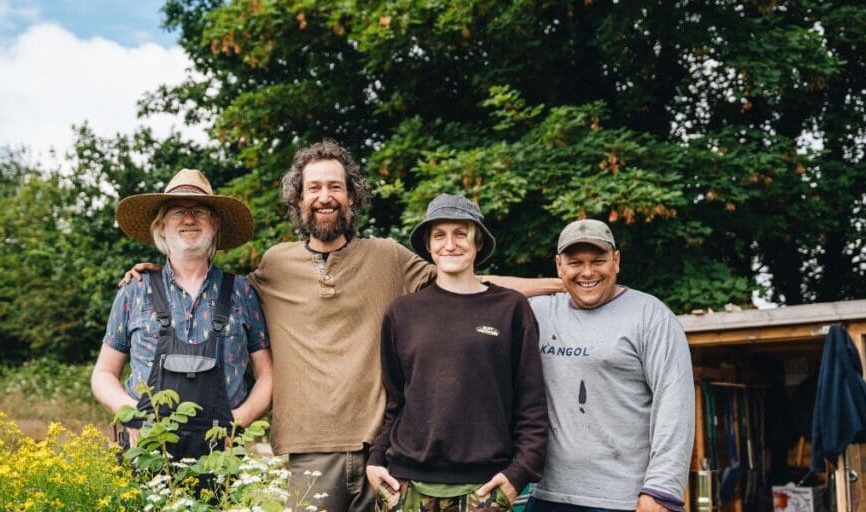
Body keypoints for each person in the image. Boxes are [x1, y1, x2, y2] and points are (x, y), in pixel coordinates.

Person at [123, 140, 563, 512]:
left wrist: (564, 284)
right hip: (309, 450)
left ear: (352, 197)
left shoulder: (388, 257)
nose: (325, 196)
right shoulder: (275, 265)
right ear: (298, 200)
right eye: (314, 187)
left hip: (382, 453)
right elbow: (216, 293)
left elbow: (471, 283)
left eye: (336, 186)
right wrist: (161, 274)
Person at [366, 193, 548, 512]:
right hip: (406, 483)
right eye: (440, 235)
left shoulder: (511, 309)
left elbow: (531, 404)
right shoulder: (403, 313)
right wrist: (376, 459)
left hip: (485, 487)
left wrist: (519, 473)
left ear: (478, 242)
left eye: (461, 234)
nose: (450, 244)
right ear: (429, 245)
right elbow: (396, 402)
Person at [91, 168, 273, 460]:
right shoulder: (135, 290)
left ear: (215, 223)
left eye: (199, 211)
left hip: (222, 455)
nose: (189, 219)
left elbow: (268, 375)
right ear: (162, 226)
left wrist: (240, 420)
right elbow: (103, 374)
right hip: (147, 451)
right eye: (178, 211)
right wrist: (130, 414)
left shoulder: (242, 292)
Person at [525, 219, 694, 512]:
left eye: (598, 261)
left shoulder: (651, 317)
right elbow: (474, 287)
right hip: (548, 495)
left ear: (616, 261)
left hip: (624, 499)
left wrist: (662, 490)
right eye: (575, 263)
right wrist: (553, 284)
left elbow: (675, 406)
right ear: (558, 266)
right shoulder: (538, 313)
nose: (587, 272)